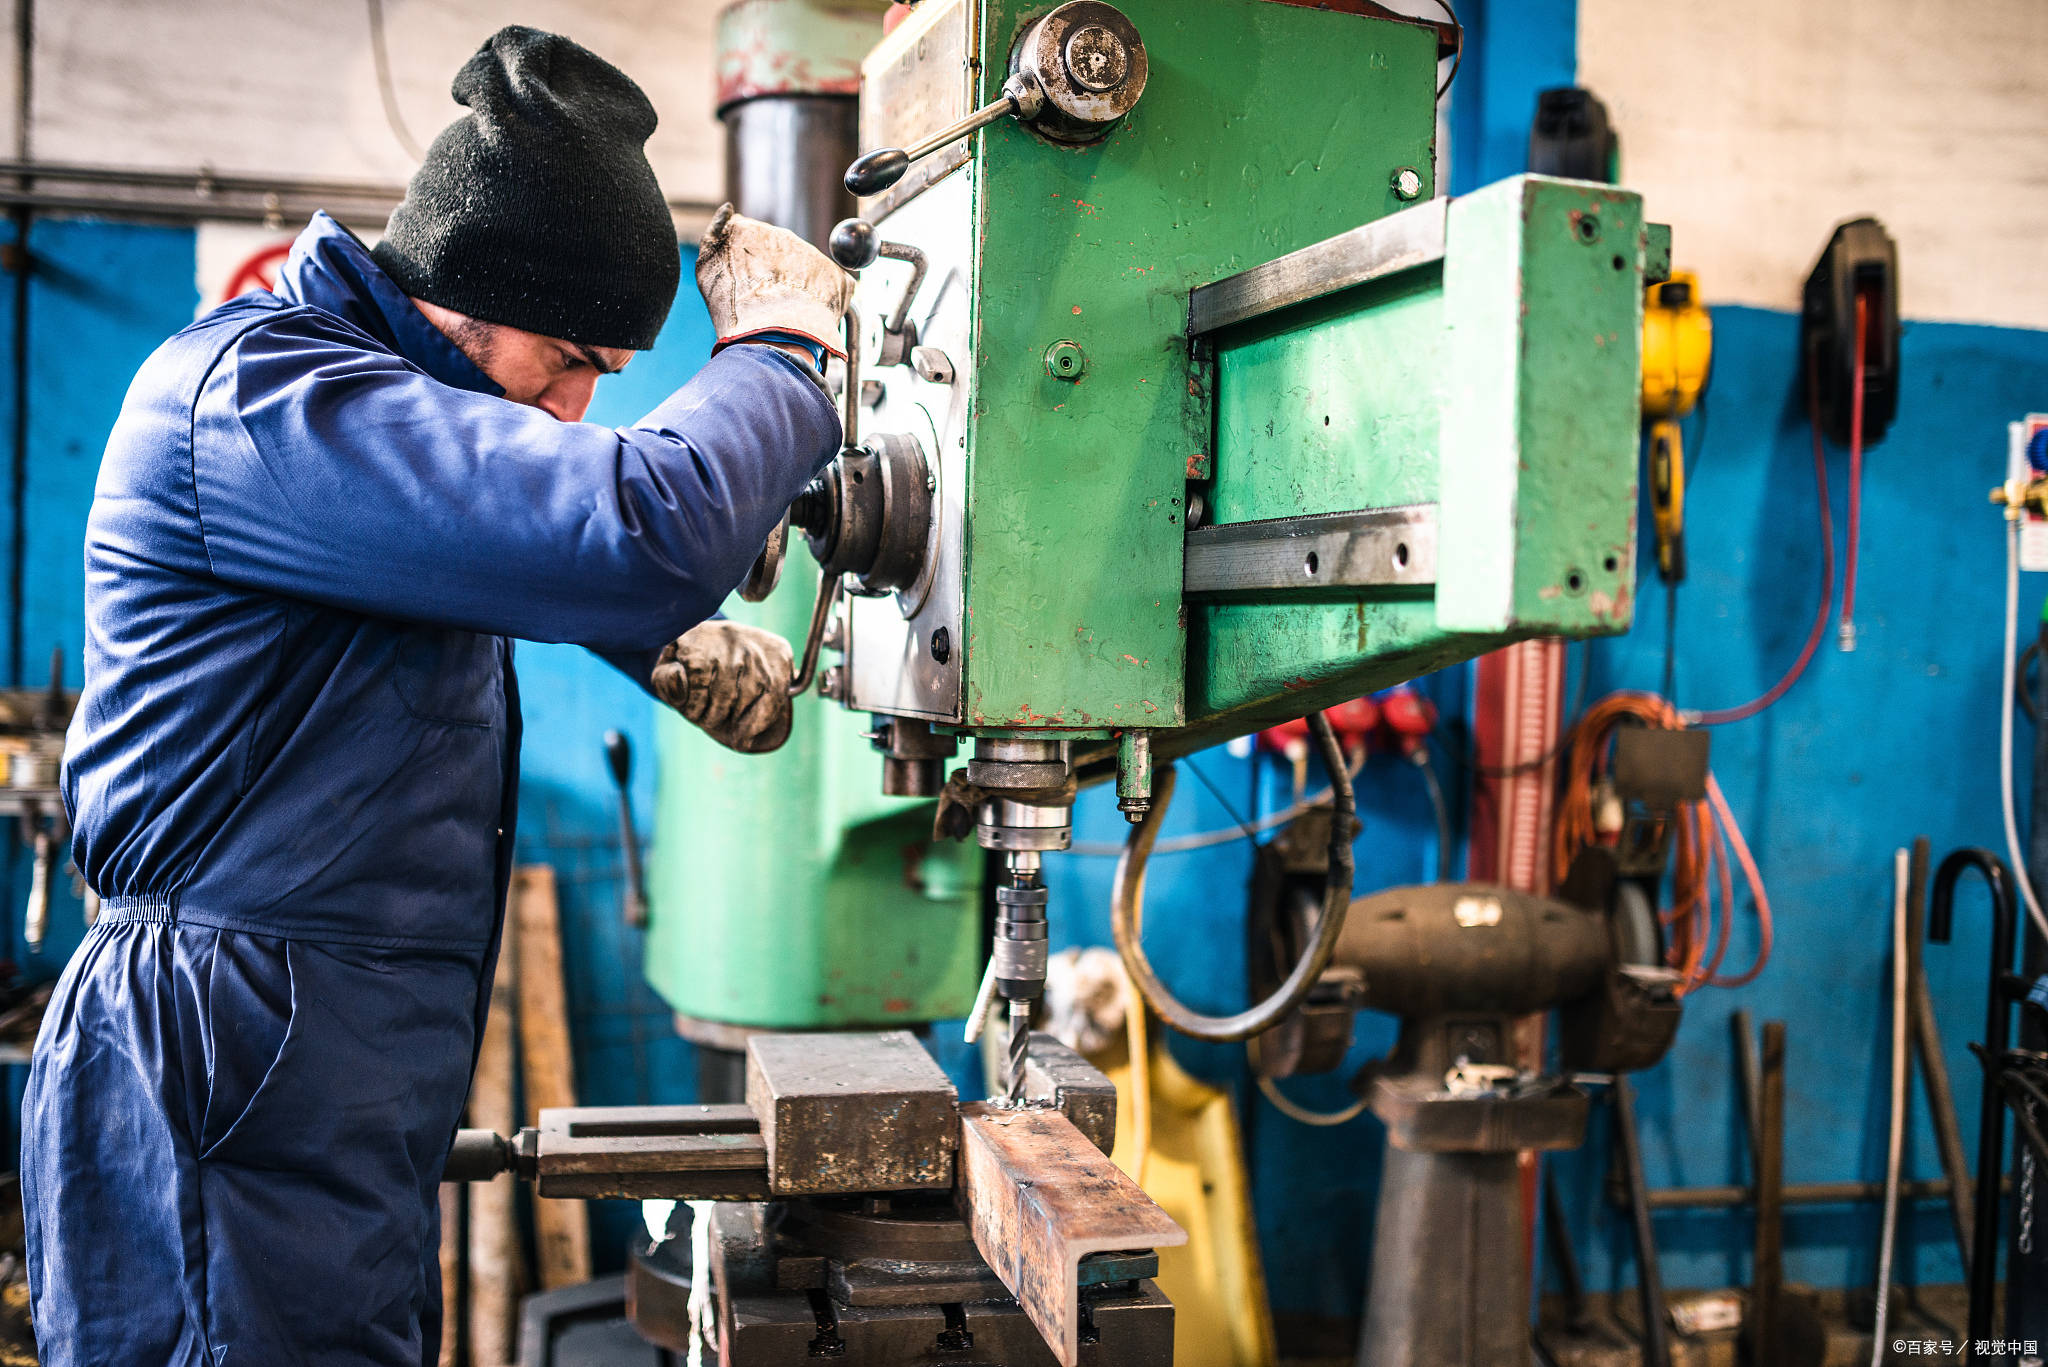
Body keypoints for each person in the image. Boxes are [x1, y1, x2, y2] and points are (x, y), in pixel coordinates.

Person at [20, 26, 852, 1366]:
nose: (576, 410)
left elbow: (439, 579)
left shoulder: (351, 415)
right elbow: (639, 529)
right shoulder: (262, 397)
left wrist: (651, 646)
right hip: (220, 1084)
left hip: (308, 1085)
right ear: (481, 290)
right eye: (574, 359)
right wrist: (780, 360)